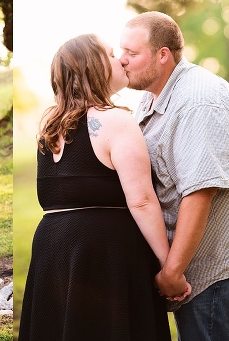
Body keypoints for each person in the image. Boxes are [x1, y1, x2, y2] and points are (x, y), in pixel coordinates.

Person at [119, 11, 229, 341]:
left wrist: (172, 271)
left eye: (132, 52)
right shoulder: (153, 97)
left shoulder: (197, 101)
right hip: (201, 265)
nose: (122, 60)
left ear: (162, 55)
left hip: (220, 267)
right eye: (121, 51)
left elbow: (200, 192)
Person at [19, 34, 190, 341]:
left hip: (52, 249)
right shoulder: (116, 121)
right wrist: (170, 268)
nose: (121, 60)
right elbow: (141, 200)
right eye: (111, 54)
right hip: (104, 255)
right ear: (92, 67)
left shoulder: (49, 127)